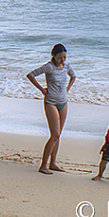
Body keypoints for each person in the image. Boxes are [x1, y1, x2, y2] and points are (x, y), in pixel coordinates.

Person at [26, 43, 76, 174]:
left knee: (58, 135)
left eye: (64, 57)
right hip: (51, 102)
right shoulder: (49, 67)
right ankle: (43, 165)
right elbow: (31, 75)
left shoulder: (66, 66)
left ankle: (53, 163)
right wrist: (42, 89)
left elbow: (73, 76)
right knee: (55, 134)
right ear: (53, 56)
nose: (62, 60)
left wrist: (68, 88)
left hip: (63, 102)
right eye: (60, 57)